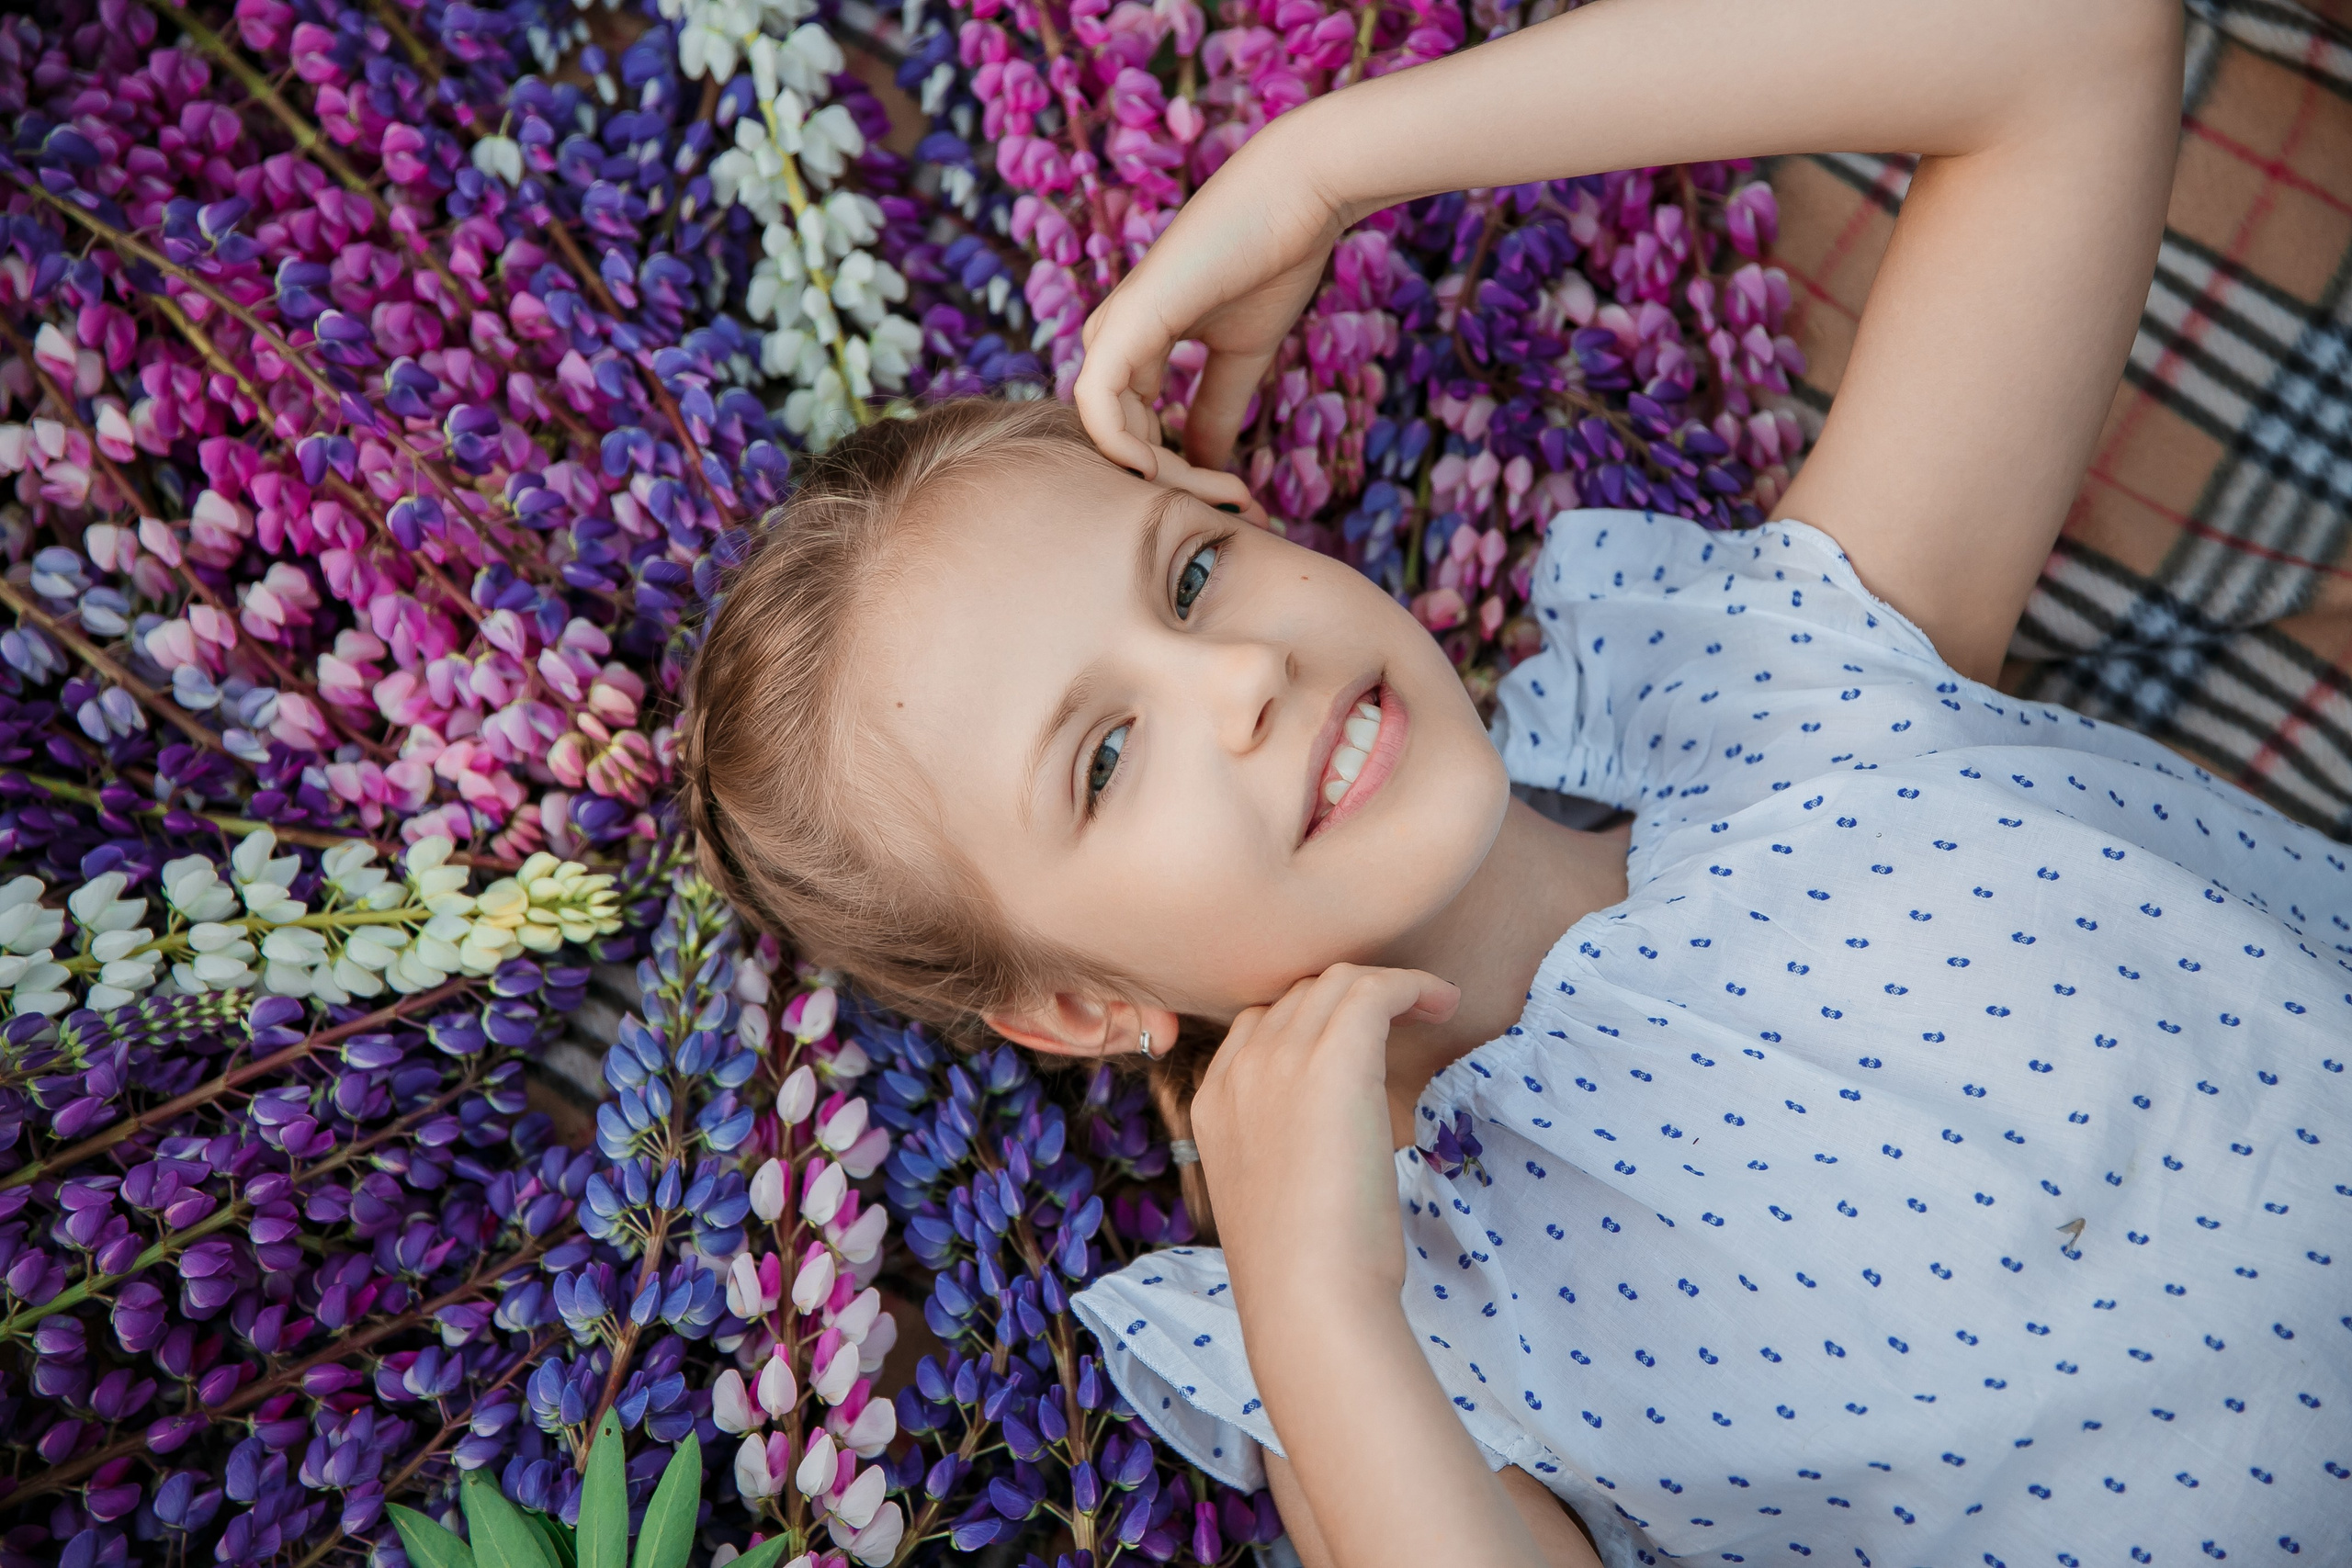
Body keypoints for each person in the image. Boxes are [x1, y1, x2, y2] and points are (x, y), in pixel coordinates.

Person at [677, 0, 2351, 1561]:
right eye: (1106, 759)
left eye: (1191, 575)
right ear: (1071, 1006)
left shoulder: (1774, 686)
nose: (1244, 672)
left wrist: (1323, 164)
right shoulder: (1388, 1344)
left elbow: (2074, 46)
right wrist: (1321, 1321)